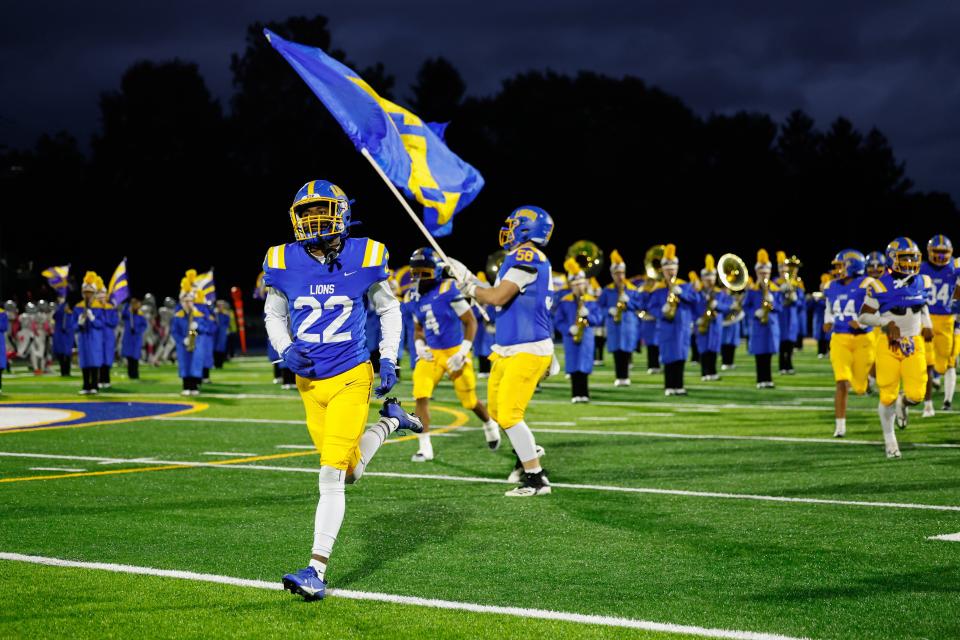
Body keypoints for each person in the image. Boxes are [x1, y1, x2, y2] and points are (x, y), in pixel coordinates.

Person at [261, 180, 422, 601]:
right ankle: (392, 422)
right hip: (309, 383)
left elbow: (389, 308)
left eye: (322, 210)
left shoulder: (365, 254)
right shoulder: (281, 258)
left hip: (352, 374)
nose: (315, 219)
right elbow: (273, 315)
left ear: (342, 212)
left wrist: (388, 358)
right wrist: (283, 351)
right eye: (307, 211)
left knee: (330, 476)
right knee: (348, 472)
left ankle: (316, 571)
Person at [456, 206, 555, 497]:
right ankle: (527, 451)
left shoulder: (527, 256)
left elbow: (497, 296)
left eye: (513, 225)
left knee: (510, 415)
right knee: (499, 412)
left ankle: (536, 478)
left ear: (526, 229)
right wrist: (472, 283)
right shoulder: (519, 258)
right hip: (510, 348)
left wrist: (471, 287)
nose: (508, 229)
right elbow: (500, 299)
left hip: (527, 348)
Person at [407, 247, 501, 459]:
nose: (419, 278)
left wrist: (463, 351)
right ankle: (425, 446)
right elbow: (418, 328)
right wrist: (420, 345)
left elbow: (470, 321)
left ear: (437, 272)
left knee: (469, 401)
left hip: (454, 351)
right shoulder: (412, 295)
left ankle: (488, 423)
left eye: (425, 273)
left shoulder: (448, 289)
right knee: (420, 393)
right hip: (432, 353)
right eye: (416, 273)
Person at [857, 237, 932, 458]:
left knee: (917, 394)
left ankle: (904, 402)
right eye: (904, 257)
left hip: (914, 343)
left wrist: (928, 325)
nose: (910, 261)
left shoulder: (923, 281)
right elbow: (863, 317)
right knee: (887, 395)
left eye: (912, 257)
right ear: (892, 259)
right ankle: (890, 442)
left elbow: (922, 305)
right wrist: (885, 323)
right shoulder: (879, 285)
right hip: (888, 345)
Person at [823, 250, 875, 437]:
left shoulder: (867, 284)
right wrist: (828, 320)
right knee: (842, 383)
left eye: (840, 265)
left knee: (860, 388)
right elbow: (829, 307)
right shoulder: (830, 286)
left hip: (863, 339)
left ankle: (867, 381)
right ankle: (840, 426)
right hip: (840, 338)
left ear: (853, 266)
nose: (837, 270)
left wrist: (861, 323)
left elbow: (877, 311)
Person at [645, 244, 698, 395]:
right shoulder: (658, 288)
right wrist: (661, 311)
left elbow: (695, 299)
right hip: (666, 326)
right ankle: (669, 386)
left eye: (673, 268)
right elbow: (651, 306)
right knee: (668, 355)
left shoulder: (685, 286)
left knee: (681, 355)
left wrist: (681, 292)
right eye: (668, 269)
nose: (671, 271)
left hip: (682, 325)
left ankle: (679, 386)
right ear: (663, 270)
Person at [918, 235, 960, 413]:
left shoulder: (955, 268)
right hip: (924, 319)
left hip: (947, 320)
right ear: (929, 252)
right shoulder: (921, 268)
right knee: (925, 361)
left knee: (946, 364)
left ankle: (946, 399)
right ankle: (928, 403)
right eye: (937, 252)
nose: (941, 256)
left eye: (944, 253)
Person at [554, 258, 604, 402]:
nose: (579, 288)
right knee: (573, 365)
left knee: (585, 364)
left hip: (586, 336)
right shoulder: (565, 300)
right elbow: (558, 321)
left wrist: (588, 316)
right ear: (571, 285)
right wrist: (568, 328)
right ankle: (576, 394)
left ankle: (585, 393)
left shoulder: (591, 300)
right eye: (576, 285)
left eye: (581, 284)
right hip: (570, 337)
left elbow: (598, 318)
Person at [599, 250, 640, 386]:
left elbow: (639, 305)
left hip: (628, 324)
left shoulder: (632, 289)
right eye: (617, 274)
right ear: (612, 274)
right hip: (614, 325)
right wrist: (608, 311)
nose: (620, 276)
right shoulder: (607, 290)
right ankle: (619, 377)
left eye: (622, 273)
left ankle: (626, 376)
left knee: (627, 350)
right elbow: (599, 308)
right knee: (617, 351)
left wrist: (629, 301)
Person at [743, 250, 782, 389]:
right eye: (761, 273)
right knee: (759, 354)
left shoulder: (775, 290)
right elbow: (745, 306)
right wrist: (755, 312)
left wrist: (773, 304)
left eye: (766, 273)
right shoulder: (752, 290)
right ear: (757, 273)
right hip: (758, 325)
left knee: (769, 354)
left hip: (771, 326)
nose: (764, 275)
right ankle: (760, 380)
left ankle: (768, 379)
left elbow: (781, 308)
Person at [171, 280, 215, 396]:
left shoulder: (198, 315)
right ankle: (186, 387)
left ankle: (194, 387)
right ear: (181, 302)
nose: (188, 303)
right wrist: (182, 340)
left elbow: (206, 328)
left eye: (190, 301)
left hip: (196, 343)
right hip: (183, 345)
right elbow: (174, 332)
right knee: (185, 364)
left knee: (195, 364)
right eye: (185, 301)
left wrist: (198, 326)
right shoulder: (178, 316)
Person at [693, 255, 733, 381]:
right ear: (703, 279)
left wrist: (718, 305)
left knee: (714, 349)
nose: (710, 281)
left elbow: (728, 307)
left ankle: (713, 372)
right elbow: (693, 307)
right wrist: (696, 319)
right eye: (707, 279)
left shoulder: (719, 293)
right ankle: (705, 373)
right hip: (702, 323)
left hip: (715, 324)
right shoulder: (698, 293)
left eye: (712, 278)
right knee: (703, 348)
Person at [74, 272, 104, 394]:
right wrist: (79, 322)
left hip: (94, 337)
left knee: (94, 361)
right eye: (86, 293)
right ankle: (86, 386)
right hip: (83, 337)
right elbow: (73, 326)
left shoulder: (98, 307)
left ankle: (94, 386)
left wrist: (92, 318)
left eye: (90, 293)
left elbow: (100, 324)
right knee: (85, 361)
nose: (88, 295)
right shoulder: (78, 307)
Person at [775, 252, 803, 375]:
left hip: (792, 317)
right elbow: (773, 300)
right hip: (781, 316)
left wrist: (795, 298)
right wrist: (782, 297)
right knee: (782, 342)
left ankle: (789, 364)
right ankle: (782, 365)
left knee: (791, 342)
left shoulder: (797, 283)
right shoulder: (775, 283)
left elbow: (802, 303)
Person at [95, 280, 118, 389]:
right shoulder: (94, 308)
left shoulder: (111, 308)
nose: (101, 298)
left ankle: (106, 379)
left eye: (103, 295)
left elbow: (113, 322)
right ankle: (98, 380)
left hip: (108, 335)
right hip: (98, 335)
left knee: (107, 357)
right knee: (98, 357)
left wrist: (105, 312)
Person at [121, 297, 148, 380]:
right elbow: (123, 314)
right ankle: (130, 374)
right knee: (129, 358)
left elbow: (144, 325)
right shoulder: (129, 314)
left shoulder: (140, 315)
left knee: (135, 357)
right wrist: (126, 304)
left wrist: (137, 330)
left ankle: (135, 374)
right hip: (129, 338)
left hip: (136, 338)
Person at [213, 300, 231, 369]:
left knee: (221, 348)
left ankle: (220, 364)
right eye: (219, 305)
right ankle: (215, 363)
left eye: (222, 305)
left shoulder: (225, 314)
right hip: (215, 332)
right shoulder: (214, 313)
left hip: (222, 332)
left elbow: (227, 323)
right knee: (214, 348)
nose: (220, 307)